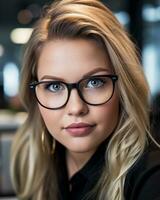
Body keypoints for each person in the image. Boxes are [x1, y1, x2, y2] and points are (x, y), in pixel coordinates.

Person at [10, 0, 160, 199]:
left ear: (123, 87)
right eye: (54, 86)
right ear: (34, 94)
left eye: (94, 82)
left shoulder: (151, 179)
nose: (76, 107)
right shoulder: (32, 161)